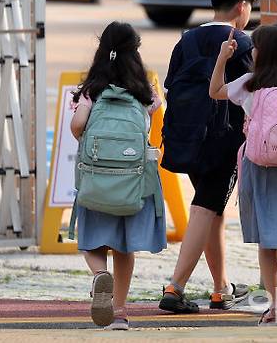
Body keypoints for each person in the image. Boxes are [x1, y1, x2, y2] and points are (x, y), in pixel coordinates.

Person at [209, 24, 277, 326]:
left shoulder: (251, 85)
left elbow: (215, 91)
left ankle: (275, 308)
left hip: (261, 165)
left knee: (266, 240)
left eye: (255, 47)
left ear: (263, 53)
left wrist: (223, 57)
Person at [159, 0, 257, 313]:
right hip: (223, 142)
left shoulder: (185, 41)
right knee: (205, 209)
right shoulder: (241, 45)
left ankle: (221, 288)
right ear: (242, 6)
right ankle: (175, 287)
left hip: (186, 138)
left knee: (211, 211)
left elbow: (170, 88)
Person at [70, 22, 167, 330]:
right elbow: (150, 125)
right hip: (132, 183)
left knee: (91, 243)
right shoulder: (146, 92)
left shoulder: (90, 91)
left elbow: (77, 127)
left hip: (96, 181)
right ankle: (121, 312)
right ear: (135, 52)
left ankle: (100, 276)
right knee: (125, 248)